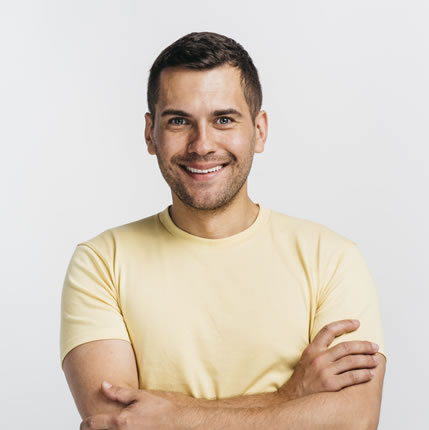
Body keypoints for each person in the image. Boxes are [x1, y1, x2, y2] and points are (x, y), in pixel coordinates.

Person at [60, 31, 386, 429]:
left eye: (224, 120)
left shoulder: (331, 258)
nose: (202, 145)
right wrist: (289, 398)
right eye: (179, 121)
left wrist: (173, 418)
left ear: (259, 130)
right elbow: (118, 421)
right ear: (150, 134)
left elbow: (354, 419)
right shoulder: (102, 262)